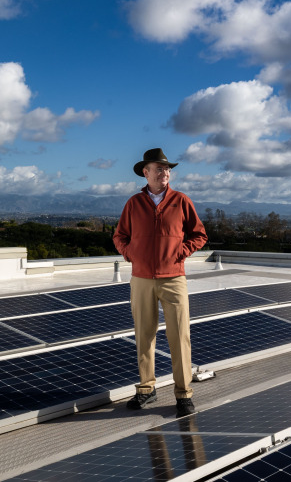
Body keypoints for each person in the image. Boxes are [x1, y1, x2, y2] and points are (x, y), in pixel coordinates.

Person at [113, 148, 207, 417]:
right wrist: (132, 255)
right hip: (141, 279)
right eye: (159, 168)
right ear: (146, 172)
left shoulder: (181, 201)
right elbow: (120, 236)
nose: (165, 172)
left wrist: (180, 252)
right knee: (144, 336)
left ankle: (183, 393)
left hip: (174, 279)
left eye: (167, 169)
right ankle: (146, 389)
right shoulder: (133, 203)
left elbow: (199, 235)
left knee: (180, 337)